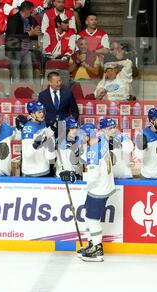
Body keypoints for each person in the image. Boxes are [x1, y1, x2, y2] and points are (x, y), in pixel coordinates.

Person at [59, 120, 115, 262]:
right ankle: (92, 243)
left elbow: (93, 176)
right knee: (88, 215)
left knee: (92, 219)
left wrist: (74, 176)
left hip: (98, 189)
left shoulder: (93, 152)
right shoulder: (101, 141)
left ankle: (97, 249)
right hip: (104, 186)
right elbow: (85, 159)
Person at [5, 0, 42, 83]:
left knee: (29, 77)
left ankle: (29, 93)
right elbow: (12, 38)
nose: (33, 12)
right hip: (14, 50)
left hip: (26, 50)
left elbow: (35, 33)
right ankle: (15, 94)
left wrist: (36, 34)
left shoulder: (32, 20)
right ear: (26, 10)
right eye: (31, 10)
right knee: (16, 77)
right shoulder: (13, 20)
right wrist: (29, 34)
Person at [21, 100, 56, 176]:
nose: (42, 114)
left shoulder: (43, 123)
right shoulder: (28, 129)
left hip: (44, 168)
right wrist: (35, 145)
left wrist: (52, 131)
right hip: (32, 172)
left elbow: (44, 140)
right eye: (39, 112)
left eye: (43, 111)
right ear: (32, 114)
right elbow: (27, 154)